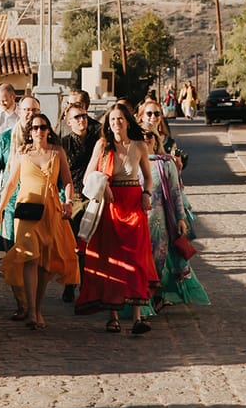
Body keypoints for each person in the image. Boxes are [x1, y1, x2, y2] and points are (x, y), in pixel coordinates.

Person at [75, 101, 159, 335]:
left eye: (120, 119)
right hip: (111, 204)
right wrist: (104, 184)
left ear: (127, 121)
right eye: (112, 120)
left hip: (134, 203)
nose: (116, 123)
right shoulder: (102, 145)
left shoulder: (140, 146)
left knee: (135, 258)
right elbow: (88, 174)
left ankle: (138, 317)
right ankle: (112, 317)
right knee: (112, 258)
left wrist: (146, 193)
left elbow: (148, 177)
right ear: (108, 123)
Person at [0, 113, 79, 331]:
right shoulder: (23, 154)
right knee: (30, 258)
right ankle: (31, 311)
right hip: (26, 212)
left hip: (51, 212)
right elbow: (10, 184)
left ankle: (38, 309)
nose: (39, 131)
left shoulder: (57, 152)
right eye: (34, 128)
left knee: (44, 264)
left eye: (42, 127)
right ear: (29, 132)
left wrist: (68, 200)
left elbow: (67, 181)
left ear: (49, 130)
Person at [0, 95, 40, 321]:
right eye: (26, 110)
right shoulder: (6, 140)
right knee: (15, 256)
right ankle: (23, 303)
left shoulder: (44, 142)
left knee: (35, 258)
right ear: (19, 111)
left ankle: (34, 305)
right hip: (10, 208)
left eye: (34, 110)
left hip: (36, 205)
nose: (30, 114)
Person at [142, 129, 209, 312]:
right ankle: (142, 302)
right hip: (137, 220)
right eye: (140, 135)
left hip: (160, 221)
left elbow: (175, 193)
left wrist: (180, 218)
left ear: (156, 140)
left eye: (149, 135)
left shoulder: (165, 163)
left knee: (158, 260)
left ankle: (155, 296)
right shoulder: (131, 162)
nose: (145, 139)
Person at [60, 101, 102, 302]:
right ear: (69, 122)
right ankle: (71, 283)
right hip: (73, 198)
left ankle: (87, 286)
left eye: (84, 116)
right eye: (77, 117)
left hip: (94, 197)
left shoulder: (97, 140)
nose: (82, 120)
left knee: (91, 245)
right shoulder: (64, 144)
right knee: (73, 246)